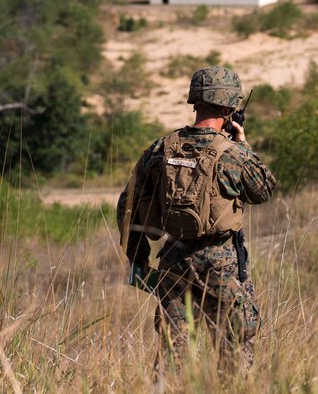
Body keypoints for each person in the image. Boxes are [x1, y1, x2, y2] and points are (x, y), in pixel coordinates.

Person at [117, 66, 278, 372]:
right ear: (230, 108)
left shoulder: (161, 148)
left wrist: (137, 262)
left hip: (173, 260)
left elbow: (128, 202)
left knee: (172, 354)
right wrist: (242, 142)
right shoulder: (232, 152)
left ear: (195, 102)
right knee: (234, 350)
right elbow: (264, 190)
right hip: (223, 263)